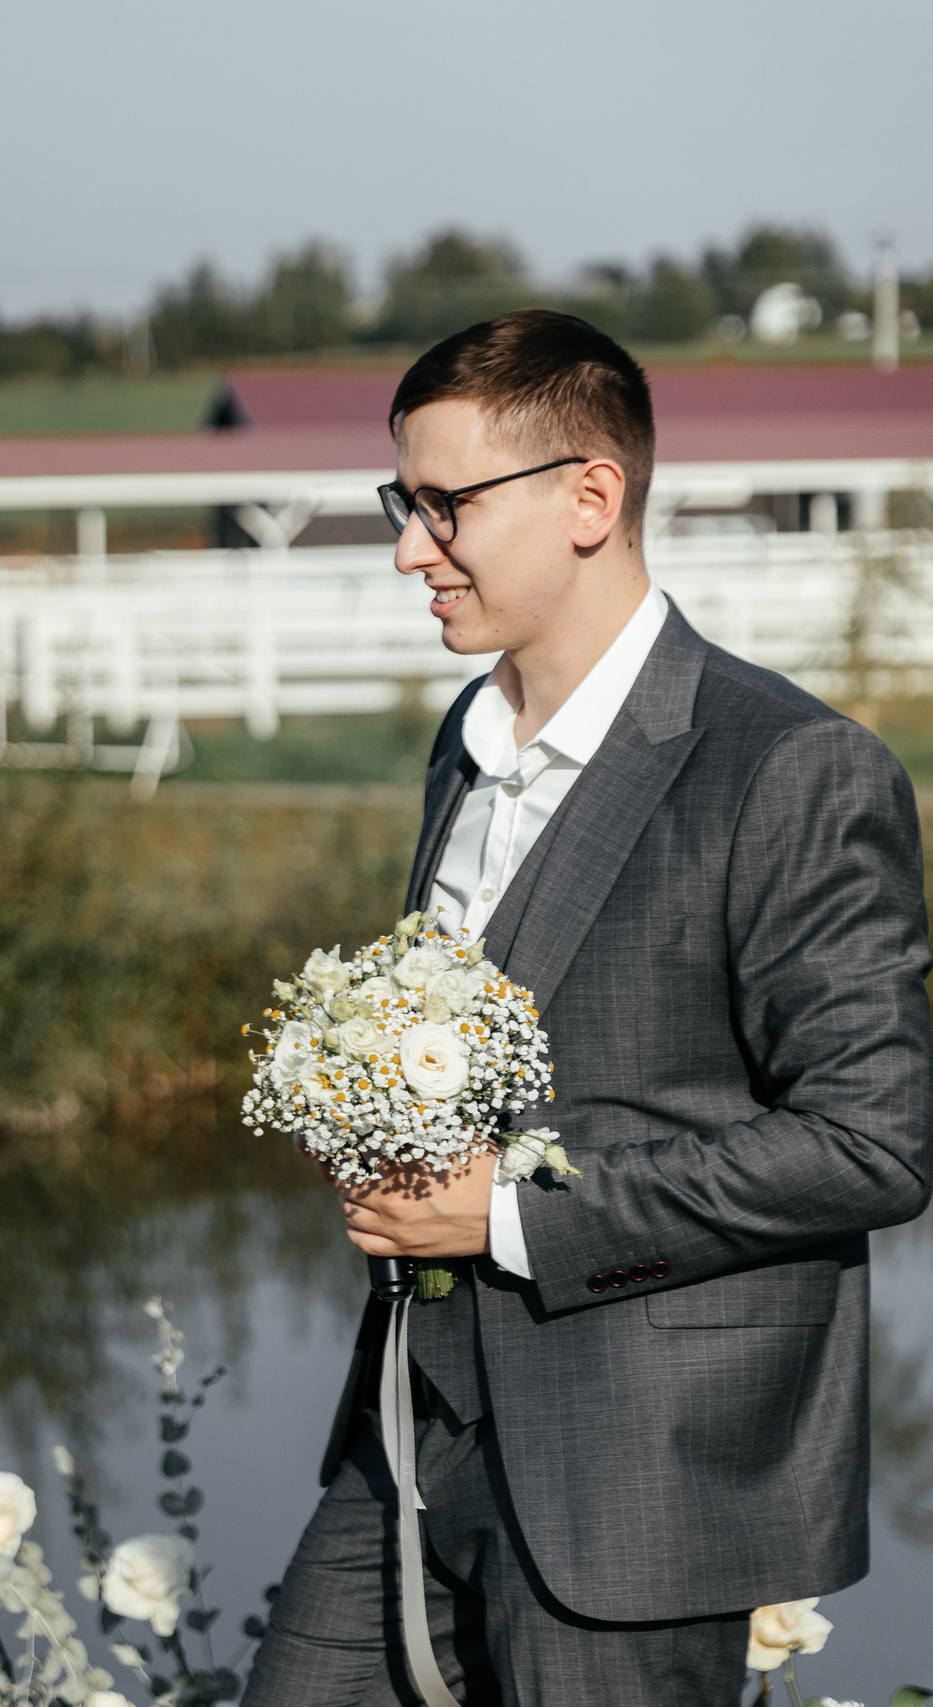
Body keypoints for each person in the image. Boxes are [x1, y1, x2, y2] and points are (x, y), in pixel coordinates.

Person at [242, 311, 933, 1705]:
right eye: (402, 500)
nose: (405, 547)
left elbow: (874, 1142)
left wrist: (502, 1211)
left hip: (638, 1465)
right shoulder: (466, 744)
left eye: (444, 506)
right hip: (412, 1424)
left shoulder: (793, 768)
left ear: (590, 496)